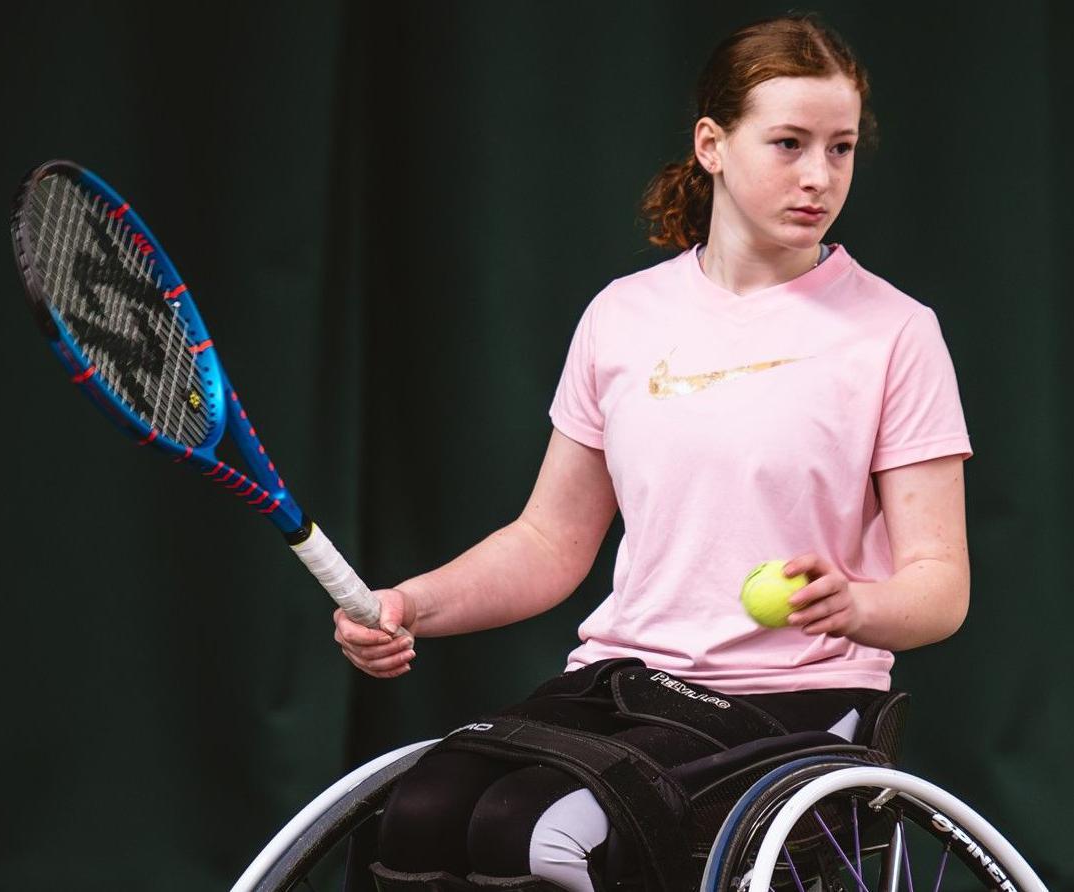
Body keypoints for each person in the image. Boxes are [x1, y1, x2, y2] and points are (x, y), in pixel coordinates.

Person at [335, 13, 971, 892]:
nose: (818, 176)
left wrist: (853, 605)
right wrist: (410, 602)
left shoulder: (897, 333)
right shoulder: (622, 316)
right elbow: (550, 542)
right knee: (421, 812)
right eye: (787, 143)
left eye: (841, 148)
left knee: (537, 833)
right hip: (623, 683)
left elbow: (939, 589)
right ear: (712, 144)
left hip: (799, 706)